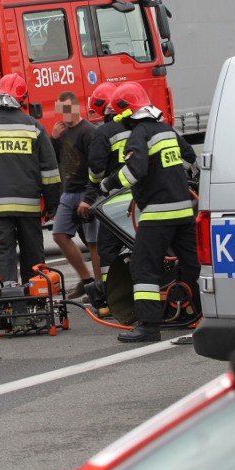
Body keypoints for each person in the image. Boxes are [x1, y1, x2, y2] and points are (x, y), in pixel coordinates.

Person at [100, 82, 199, 342]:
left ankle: (149, 326)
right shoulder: (166, 130)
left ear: (126, 114)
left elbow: (135, 172)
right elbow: (189, 157)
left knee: (145, 269)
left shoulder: (139, 135)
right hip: (184, 213)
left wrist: (109, 183)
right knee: (190, 264)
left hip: (157, 215)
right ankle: (194, 313)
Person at [0, 73, 61, 286]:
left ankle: (8, 309)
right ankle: (36, 306)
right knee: (34, 261)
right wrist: (52, 205)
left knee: (2, 259)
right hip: (29, 210)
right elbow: (49, 172)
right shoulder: (34, 127)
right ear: (23, 97)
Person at [50, 90, 102, 300]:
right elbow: (54, 160)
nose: (64, 115)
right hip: (68, 192)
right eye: (61, 110)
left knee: (93, 242)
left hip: (85, 192)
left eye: (67, 110)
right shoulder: (61, 132)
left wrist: (89, 198)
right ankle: (86, 280)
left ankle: (99, 288)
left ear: (76, 107)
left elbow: (96, 167)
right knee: (59, 235)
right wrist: (53, 139)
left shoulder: (88, 131)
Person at [84, 81, 128, 315]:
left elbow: (95, 171)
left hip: (115, 201)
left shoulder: (104, 132)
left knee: (108, 251)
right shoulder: (140, 127)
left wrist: (94, 189)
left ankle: (114, 299)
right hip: (144, 199)